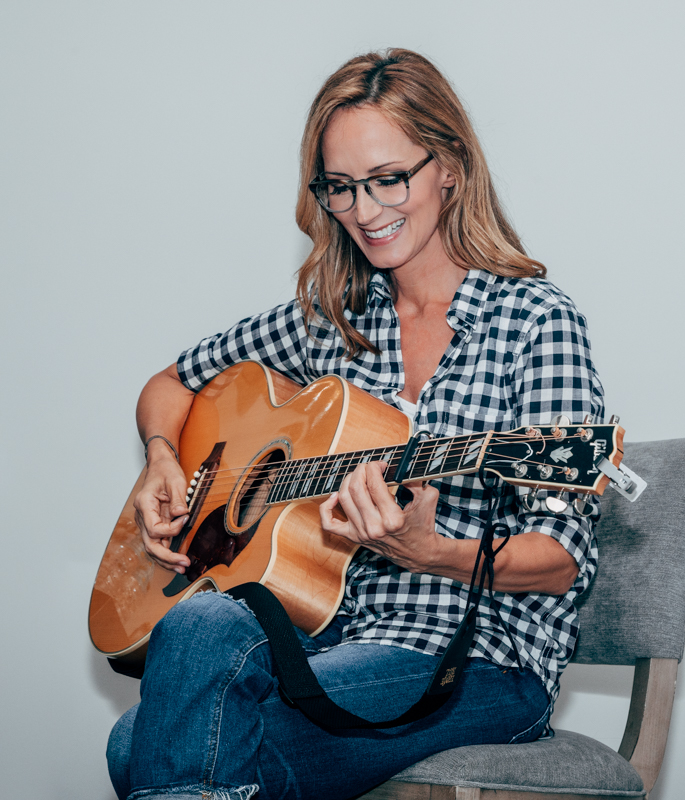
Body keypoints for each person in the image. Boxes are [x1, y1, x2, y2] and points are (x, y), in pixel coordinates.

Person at [106, 49, 604, 800]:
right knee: (196, 637)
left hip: (477, 661)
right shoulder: (335, 320)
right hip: (336, 635)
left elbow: (563, 558)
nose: (365, 212)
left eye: (387, 179)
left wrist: (431, 551)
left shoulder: (536, 321)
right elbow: (172, 383)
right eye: (340, 188)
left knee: (147, 744)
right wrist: (160, 460)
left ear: (450, 167)